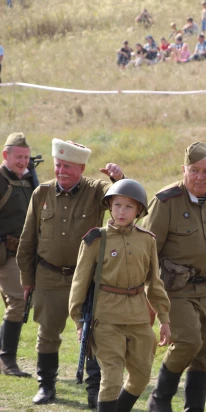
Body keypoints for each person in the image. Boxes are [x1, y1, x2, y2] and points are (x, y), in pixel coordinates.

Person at [17, 138, 124, 406]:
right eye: (58, 165)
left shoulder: (96, 190)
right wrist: (27, 280)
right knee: (47, 332)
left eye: (68, 166)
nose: (62, 170)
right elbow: (28, 239)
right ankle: (46, 385)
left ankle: (93, 391)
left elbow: (122, 201)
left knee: (91, 334)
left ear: (81, 167)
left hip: (86, 278)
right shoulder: (41, 193)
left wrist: (119, 178)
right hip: (49, 276)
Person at [68, 179, 171, 411]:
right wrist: (78, 321)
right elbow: (80, 282)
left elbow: (154, 283)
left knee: (141, 377)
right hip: (105, 317)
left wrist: (164, 318)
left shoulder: (147, 240)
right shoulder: (96, 239)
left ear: (139, 211)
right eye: (116, 205)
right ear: (109, 207)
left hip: (138, 317)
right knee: (112, 378)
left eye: (128, 207)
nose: (121, 211)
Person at [143, 142, 206, 412]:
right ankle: (159, 400)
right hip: (175, 289)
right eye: (194, 170)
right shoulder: (166, 201)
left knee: (205, 350)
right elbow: (147, 251)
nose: (200, 177)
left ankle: (194, 408)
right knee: (188, 342)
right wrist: (149, 296)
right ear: (184, 170)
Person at [0, 133, 34, 379]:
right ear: (5, 156)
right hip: (3, 251)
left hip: (18, 253)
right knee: (18, 302)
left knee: (19, 303)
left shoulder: (27, 180)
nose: (23, 162)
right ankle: (7, 359)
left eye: (26, 157)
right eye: (18, 157)